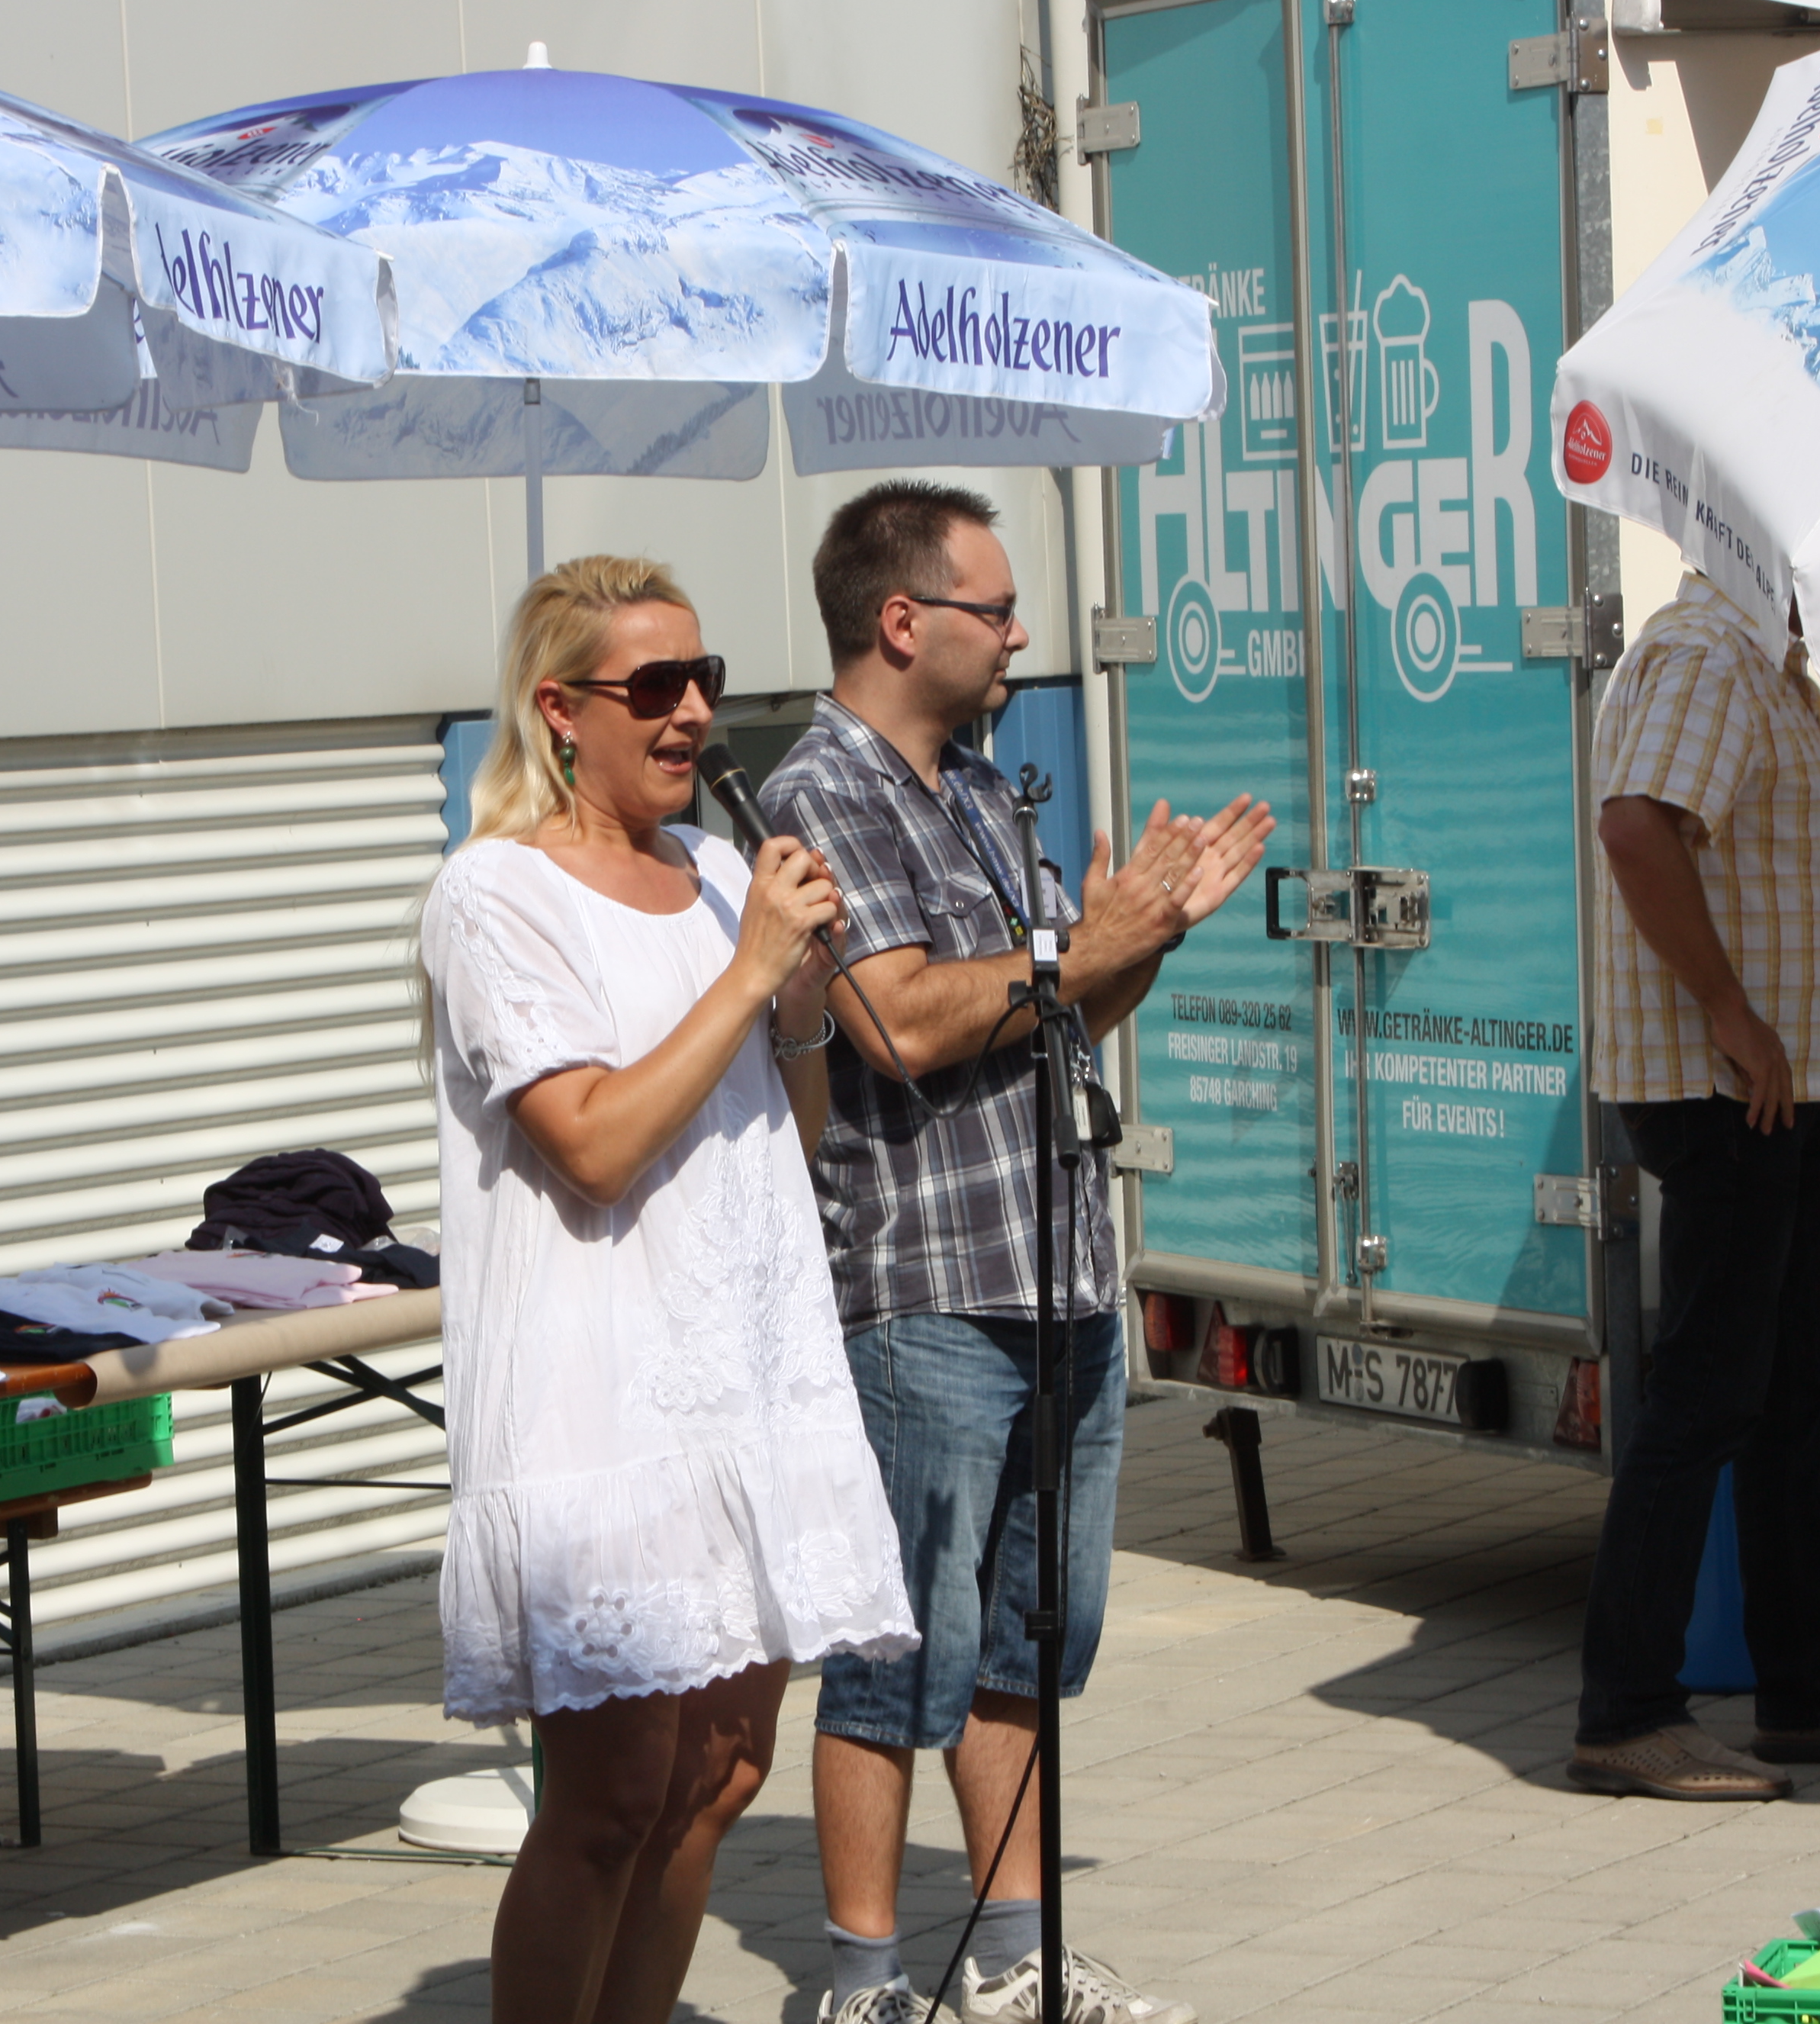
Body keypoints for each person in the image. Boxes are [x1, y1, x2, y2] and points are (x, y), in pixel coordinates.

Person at [763, 481, 1272, 2024]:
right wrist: (1079, 945)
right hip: (924, 1290)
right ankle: (863, 1982)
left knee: (1026, 1643)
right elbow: (903, 1022)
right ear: (900, 619)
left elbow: (1060, 1007)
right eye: (993, 608)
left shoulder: (987, 787)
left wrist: (1144, 935)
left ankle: (1013, 1957)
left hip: (1057, 1273)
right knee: (893, 1653)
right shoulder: (820, 791)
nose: (1020, 632)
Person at [420, 555, 920, 2024]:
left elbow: (786, 1138)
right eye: (655, 686)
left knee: (720, 1772)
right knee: (613, 1794)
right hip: (602, 1398)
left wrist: (802, 1001)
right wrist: (748, 973)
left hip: (743, 1381)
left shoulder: (714, 873)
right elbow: (590, 1145)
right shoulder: (494, 895)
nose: (694, 711)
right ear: (559, 710)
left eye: (706, 679)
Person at [1570, 576, 1820, 1799]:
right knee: (1709, 1395)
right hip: (1725, 1091)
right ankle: (1627, 1715)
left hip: (1767, 1092)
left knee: (1798, 1385)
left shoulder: (1760, 660)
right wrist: (1730, 1011)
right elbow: (1635, 829)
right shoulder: (1713, 653)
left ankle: (1811, 1690)